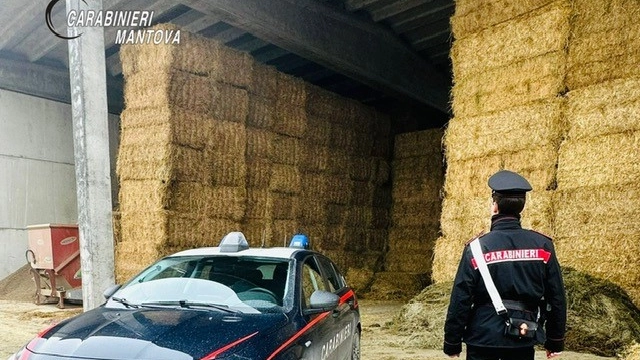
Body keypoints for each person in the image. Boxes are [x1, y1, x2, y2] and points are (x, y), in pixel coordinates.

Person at [443, 169, 566, 360]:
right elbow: (556, 298)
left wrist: (452, 342)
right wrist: (555, 340)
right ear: (521, 207)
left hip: (482, 337)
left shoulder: (476, 248)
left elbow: (461, 299)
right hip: (523, 334)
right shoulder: (543, 246)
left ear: (495, 206)